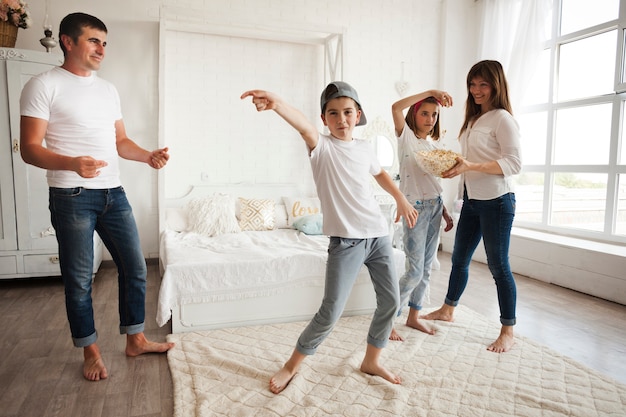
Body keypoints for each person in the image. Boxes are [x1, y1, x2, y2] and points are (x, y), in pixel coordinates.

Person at [19, 12, 174, 381]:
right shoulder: (43, 85)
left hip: (113, 193)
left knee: (135, 268)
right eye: (93, 40)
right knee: (79, 279)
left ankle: (134, 339)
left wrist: (147, 155)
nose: (101, 49)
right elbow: (28, 148)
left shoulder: (108, 89)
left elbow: (120, 142)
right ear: (68, 41)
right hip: (71, 195)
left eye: (104, 42)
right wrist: (72, 163)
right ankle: (90, 350)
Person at [241, 81, 418, 394]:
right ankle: (292, 364)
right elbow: (302, 126)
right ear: (324, 119)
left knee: (390, 302)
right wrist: (278, 103)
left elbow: (380, 174)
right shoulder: (321, 147)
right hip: (345, 242)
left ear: (358, 114)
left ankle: (372, 360)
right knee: (330, 311)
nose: (341, 119)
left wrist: (401, 198)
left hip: (378, 236)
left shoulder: (365, 149)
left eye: (348, 112)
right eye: (333, 113)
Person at [422, 60, 522, 353]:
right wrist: (456, 169)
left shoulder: (503, 119)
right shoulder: (474, 119)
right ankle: (448, 309)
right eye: (472, 84)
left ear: (496, 85)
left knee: (498, 266)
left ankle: (507, 329)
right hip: (473, 201)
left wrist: (471, 165)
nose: (476, 90)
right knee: (459, 259)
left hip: (497, 202)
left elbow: (514, 163)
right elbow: (472, 161)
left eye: (483, 84)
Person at [388, 90, 454, 340]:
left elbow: (434, 183)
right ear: (414, 116)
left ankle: (414, 316)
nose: (430, 119)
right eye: (424, 113)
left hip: (435, 207)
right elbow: (395, 108)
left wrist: (445, 211)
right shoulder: (406, 138)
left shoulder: (433, 147)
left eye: (434, 115)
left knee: (426, 269)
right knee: (414, 270)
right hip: (414, 208)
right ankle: (389, 319)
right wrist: (429, 92)